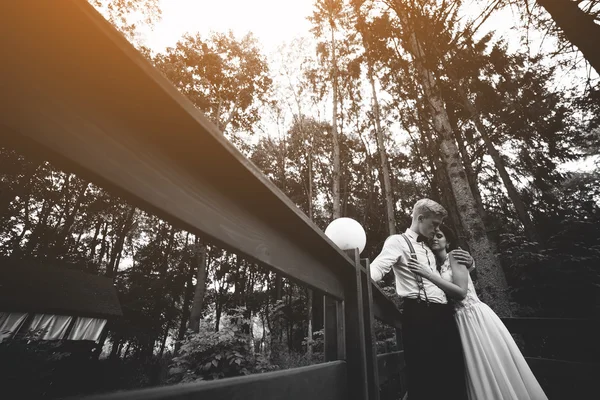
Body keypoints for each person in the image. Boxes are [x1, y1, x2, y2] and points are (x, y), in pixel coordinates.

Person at [407, 224, 548, 400]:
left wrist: (428, 275)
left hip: (473, 316)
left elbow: (461, 292)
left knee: (490, 361)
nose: (434, 238)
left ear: (448, 241)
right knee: (475, 368)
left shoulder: (455, 256)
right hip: (457, 322)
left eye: (440, 235)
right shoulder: (436, 265)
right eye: (431, 236)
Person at [370, 199, 472, 400]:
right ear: (420, 218)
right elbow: (378, 268)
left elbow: (449, 268)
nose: (437, 229)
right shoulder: (397, 241)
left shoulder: (429, 248)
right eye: (434, 224)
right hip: (419, 314)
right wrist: (358, 275)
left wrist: (471, 261)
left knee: (452, 371)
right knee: (423, 374)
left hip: (445, 314)